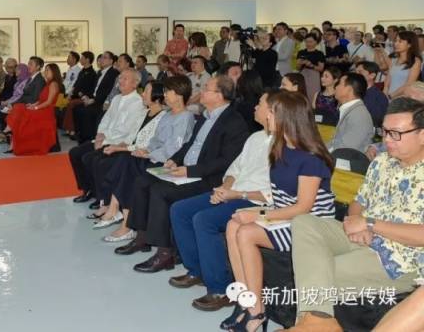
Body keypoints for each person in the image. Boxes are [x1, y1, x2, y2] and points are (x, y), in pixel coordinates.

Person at [286, 98, 424, 332]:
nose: (387, 140)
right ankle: (318, 322)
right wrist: (355, 221)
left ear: (422, 135)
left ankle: (315, 321)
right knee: (304, 222)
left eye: (396, 134)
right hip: (362, 235)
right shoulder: (382, 162)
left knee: (318, 274)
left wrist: (370, 224)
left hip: (399, 259)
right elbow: (358, 202)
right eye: (385, 132)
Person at [223, 90, 335, 332]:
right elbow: (280, 201)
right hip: (286, 214)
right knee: (233, 224)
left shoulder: (310, 158)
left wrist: (258, 215)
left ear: (287, 118)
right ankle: (245, 301)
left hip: (311, 225)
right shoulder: (281, 148)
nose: (267, 116)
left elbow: (303, 208)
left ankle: (256, 310)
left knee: (246, 232)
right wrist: (258, 212)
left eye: (272, 112)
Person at [114, 76, 251, 273]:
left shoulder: (234, 122)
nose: (201, 91)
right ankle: (142, 237)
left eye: (206, 89)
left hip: (207, 178)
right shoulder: (205, 116)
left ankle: (165, 253)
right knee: (142, 181)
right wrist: (174, 160)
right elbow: (190, 144)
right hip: (187, 170)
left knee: (160, 191)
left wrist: (190, 170)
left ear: (219, 95)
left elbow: (226, 161)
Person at [168, 92, 273, 312]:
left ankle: (220, 288)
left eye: (260, 104)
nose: (255, 107)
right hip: (234, 192)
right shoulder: (255, 137)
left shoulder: (283, 145)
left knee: (204, 220)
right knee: (180, 210)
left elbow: (273, 192)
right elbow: (234, 169)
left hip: (255, 201)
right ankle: (196, 271)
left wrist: (237, 194)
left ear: (273, 112)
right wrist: (226, 188)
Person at [101, 76, 195, 242]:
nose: (164, 95)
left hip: (167, 162)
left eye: (168, 92)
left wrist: (149, 154)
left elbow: (174, 148)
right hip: (153, 157)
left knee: (129, 169)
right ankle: (123, 219)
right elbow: (156, 140)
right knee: (126, 161)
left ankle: (123, 221)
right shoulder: (168, 115)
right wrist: (146, 149)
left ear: (178, 94)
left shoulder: (185, 117)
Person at [89, 79, 168, 229]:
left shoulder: (163, 117)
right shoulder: (144, 113)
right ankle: (111, 207)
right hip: (132, 151)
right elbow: (131, 137)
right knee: (104, 157)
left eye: (146, 91)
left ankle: (112, 208)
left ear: (157, 96)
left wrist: (120, 149)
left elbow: (146, 146)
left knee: (120, 161)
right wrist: (117, 145)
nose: (142, 94)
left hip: (146, 157)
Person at [67, 69, 146, 205]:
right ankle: (87, 189)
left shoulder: (138, 103)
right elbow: (106, 119)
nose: (120, 81)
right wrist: (100, 134)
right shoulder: (116, 98)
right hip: (104, 138)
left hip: (118, 142)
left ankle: (101, 197)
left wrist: (105, 139)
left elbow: (126, 129)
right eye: (120, 78)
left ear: (135, 84)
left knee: (90, 158)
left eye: (125, 79)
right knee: (75, 153)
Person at [7, 63, 63, 156]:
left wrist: (36, 108)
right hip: (41, 107)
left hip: (47, 111)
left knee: (23, 113)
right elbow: (41, 100)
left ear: (54, 72)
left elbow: (49, 102)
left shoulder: (53, 84)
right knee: (19, 107)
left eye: (48, 70)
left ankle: (10, 129)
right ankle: (10, 129)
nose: (45, 72)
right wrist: (32, 105)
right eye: (45, 70)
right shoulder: (47, 84)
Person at [74, 51, 119, 143]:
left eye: (104, 58)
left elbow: (107, 92)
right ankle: (81, 136)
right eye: (101, 57)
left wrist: (93, 100)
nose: (101, 59)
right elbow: (94, 89)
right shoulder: (99, 72)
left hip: (102, 102)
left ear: (111, 61)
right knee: (77, 109)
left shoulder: (113, 73)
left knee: (86, 111)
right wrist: (87, 97)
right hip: (94, 99)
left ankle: (89, 138)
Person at [329, 72, 374, 152]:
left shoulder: (359, 115)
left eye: (339, 84)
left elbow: (346, 149)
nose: (335, 87)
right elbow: (334, 143)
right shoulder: (353, 111)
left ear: (349, 89)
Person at [0, 63, 30, 141]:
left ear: (23, 71)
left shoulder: (26, 82)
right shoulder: (18, 81)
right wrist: (6, 101)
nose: (16, 71)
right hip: (11, 101)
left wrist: (9, 103)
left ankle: (0, 134)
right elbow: (13, 95)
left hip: (17, 104)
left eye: (18, 70)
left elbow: (20, 97)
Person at [379, 30, 422, 98]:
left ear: (409, 44)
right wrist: (385, 92)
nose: (396, 44)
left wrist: (391, 96)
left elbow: (409, 84)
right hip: (388, 97)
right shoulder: (394, 59)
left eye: (400, 41)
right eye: (396, 41)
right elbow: (388, 79)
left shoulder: (415, 61)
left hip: (402, 99)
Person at [355, 61, 389, 127]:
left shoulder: (378, 97)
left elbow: (376, 121)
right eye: (355, 72)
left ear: (372, 75)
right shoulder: (354, 92)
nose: (356, 75)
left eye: (360, 72)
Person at [296, 33, 325, 102]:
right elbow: (298, 67)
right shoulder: (301, 52)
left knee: (313, 95)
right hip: (303, 75)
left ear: (316, 42)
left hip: (314, 76)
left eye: (310, 42)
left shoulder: (319, 53)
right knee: (302, 94)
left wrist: (311, 65)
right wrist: (301, 63)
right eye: (306, 42)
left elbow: (321, 68)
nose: (308, 44)